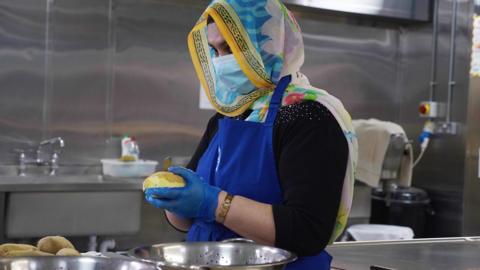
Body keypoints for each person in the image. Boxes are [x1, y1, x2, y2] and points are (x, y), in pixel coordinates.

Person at [145, 0, 358, 269]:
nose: (221, 62)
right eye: (215, 50)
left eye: (231, 48)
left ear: (269, 44)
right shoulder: (227, 115)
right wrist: (175, 200)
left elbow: (307, 231)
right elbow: (186, 221)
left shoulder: (309, 117)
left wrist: (214, 203)